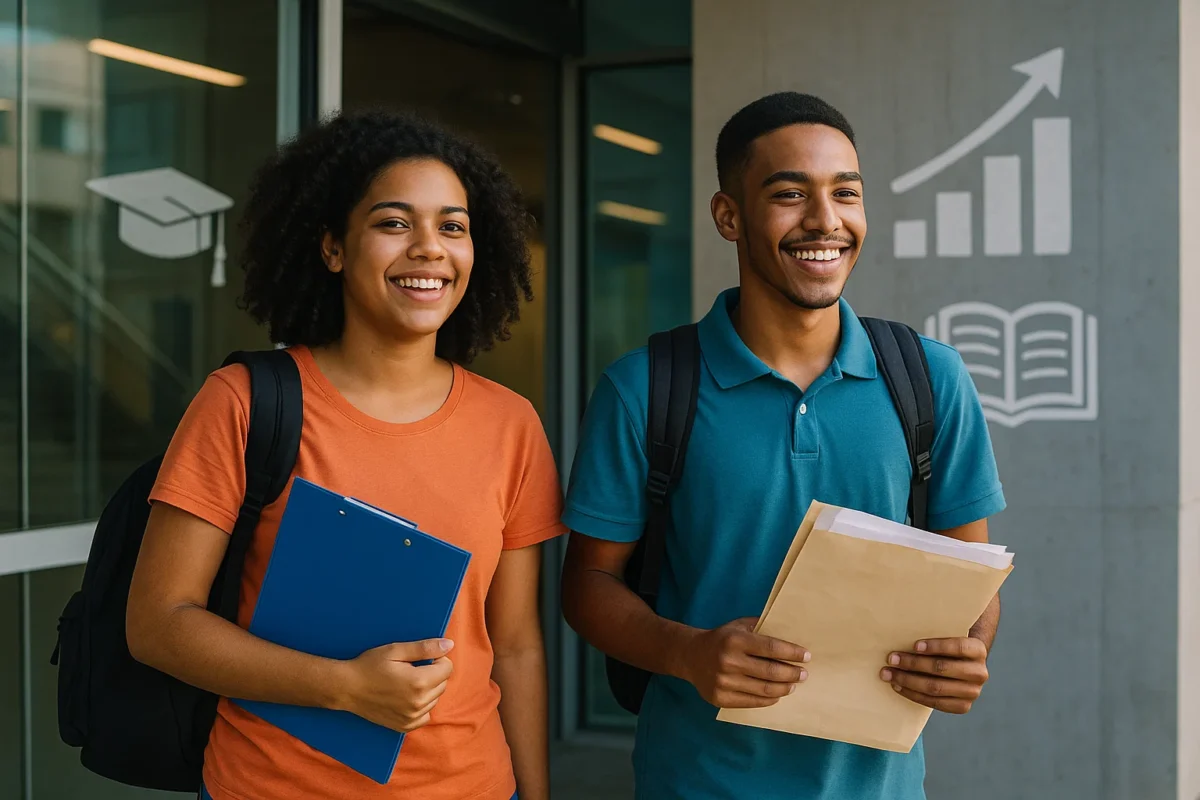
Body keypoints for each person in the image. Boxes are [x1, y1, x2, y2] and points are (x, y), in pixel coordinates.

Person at [560, 91, 1007, 799]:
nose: (825, 221)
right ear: (728, 216)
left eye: (846, 194)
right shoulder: (644, 389)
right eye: (790, 194)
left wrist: (968, 651)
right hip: (696, 782)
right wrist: (687, 652)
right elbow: (586, 585)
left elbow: (971, 573)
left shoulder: (930, 378)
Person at [126, 108, 564, 800]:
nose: (429, 248)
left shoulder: (512, 424)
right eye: (394, 223)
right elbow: (157, 624)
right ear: (332, 248)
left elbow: (513, 644)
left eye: (453, 226)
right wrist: (345, 688)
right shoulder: (245, 403)